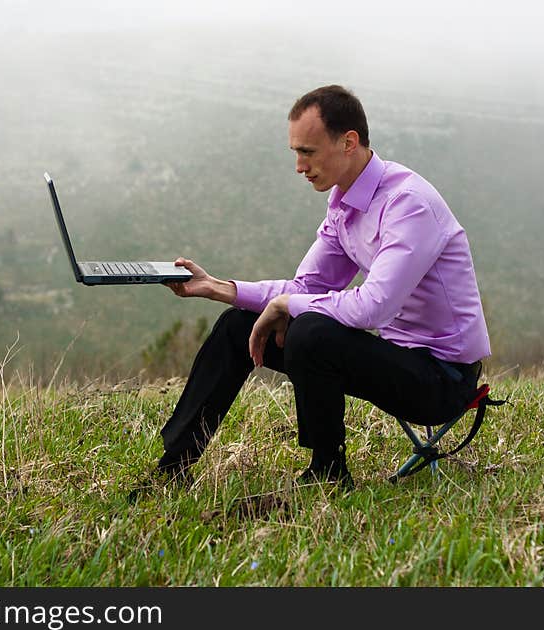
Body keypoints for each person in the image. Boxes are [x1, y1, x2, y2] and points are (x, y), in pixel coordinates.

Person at [155, 84, 490, 488]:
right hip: (391, 357)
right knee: (236, 325)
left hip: (441, 377)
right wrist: (219, 287)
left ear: (349, 142)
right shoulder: (344, 205)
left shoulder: (408, 204)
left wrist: (289, 306)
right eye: (295, 152)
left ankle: (328, 470)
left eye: (308, 152)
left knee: (311, 332)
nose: (299, 165)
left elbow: (373, 307)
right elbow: (304, 286)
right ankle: (175, 465)